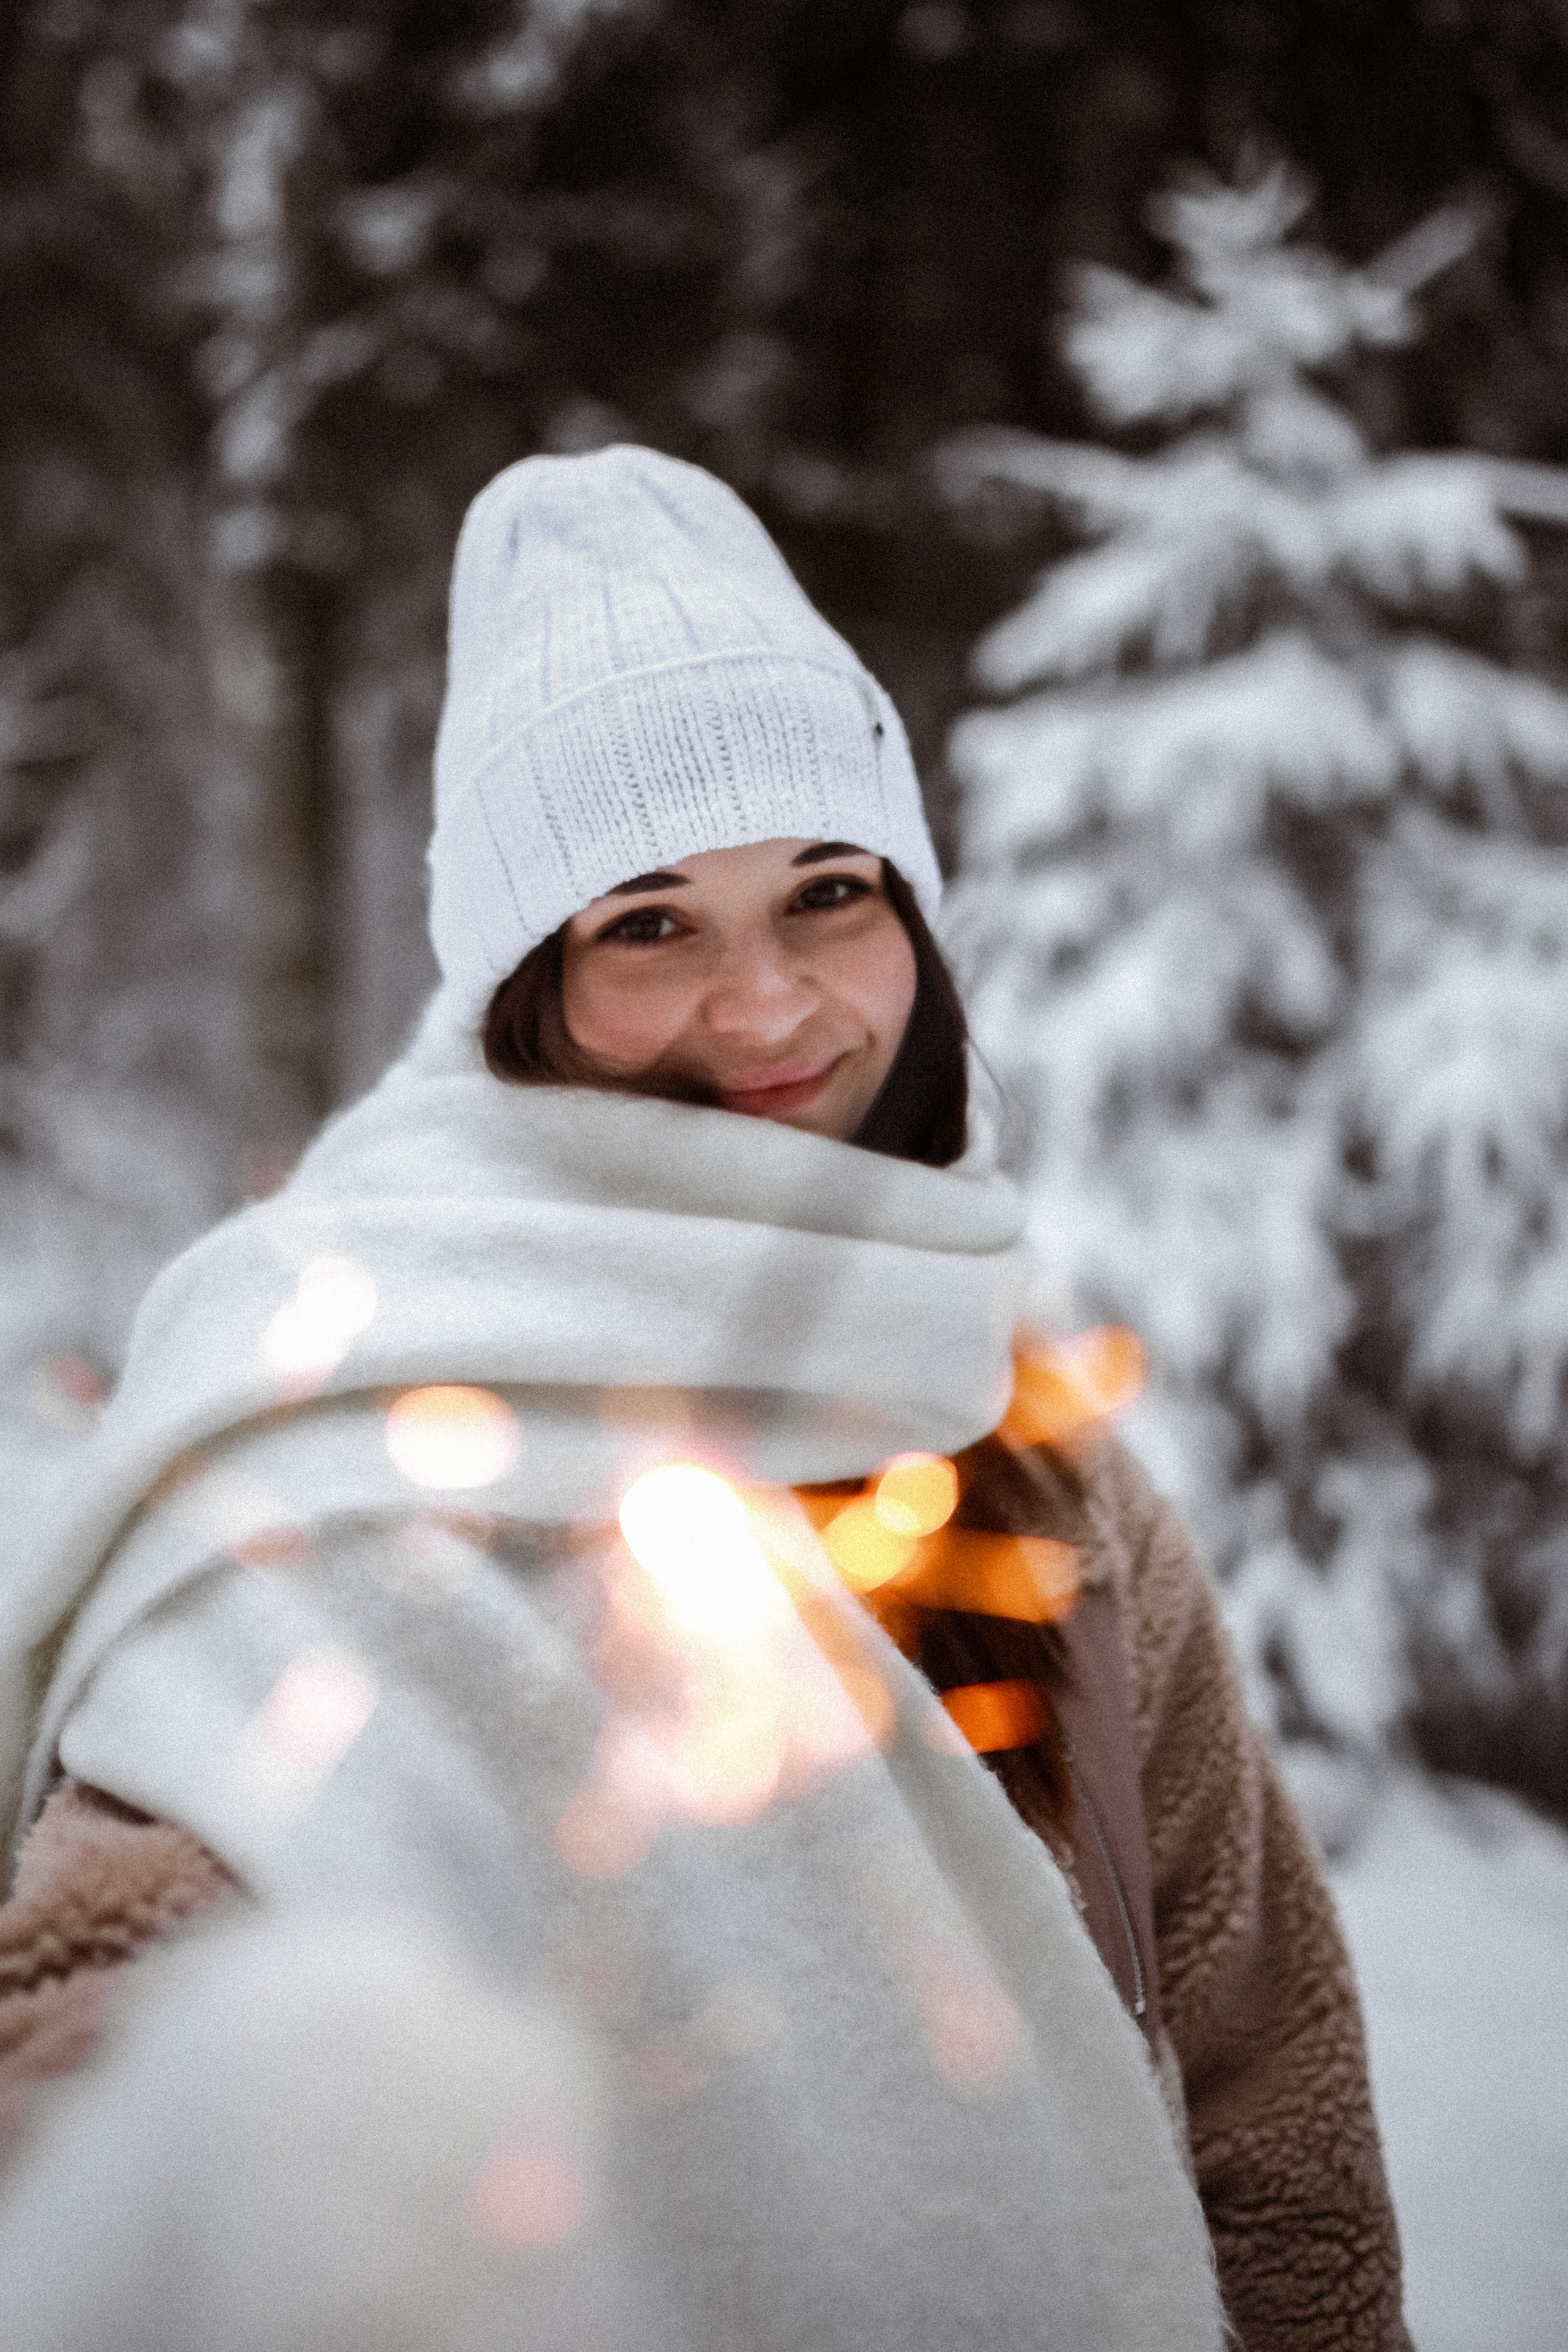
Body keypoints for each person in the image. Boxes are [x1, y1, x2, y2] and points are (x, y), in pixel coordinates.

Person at [0, 448, 1408, 2351]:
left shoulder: (1022, 1449)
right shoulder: (355, 1436)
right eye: (650, 923)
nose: (770, 1006)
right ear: (524, 988)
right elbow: (116, 1982)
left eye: (828, 891)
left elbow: (1268, 2103)